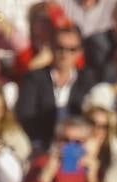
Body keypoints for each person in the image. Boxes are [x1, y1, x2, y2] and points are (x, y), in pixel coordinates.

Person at [16, 24, 97, 156]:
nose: (65, 54)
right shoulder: (35, 78)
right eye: (60, 48)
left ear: (80, 52)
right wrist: (38, 147)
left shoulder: (87, 79)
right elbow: (26, 116)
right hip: (41, 146)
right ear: (52, 48)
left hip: (78, 147)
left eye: (71, 49)